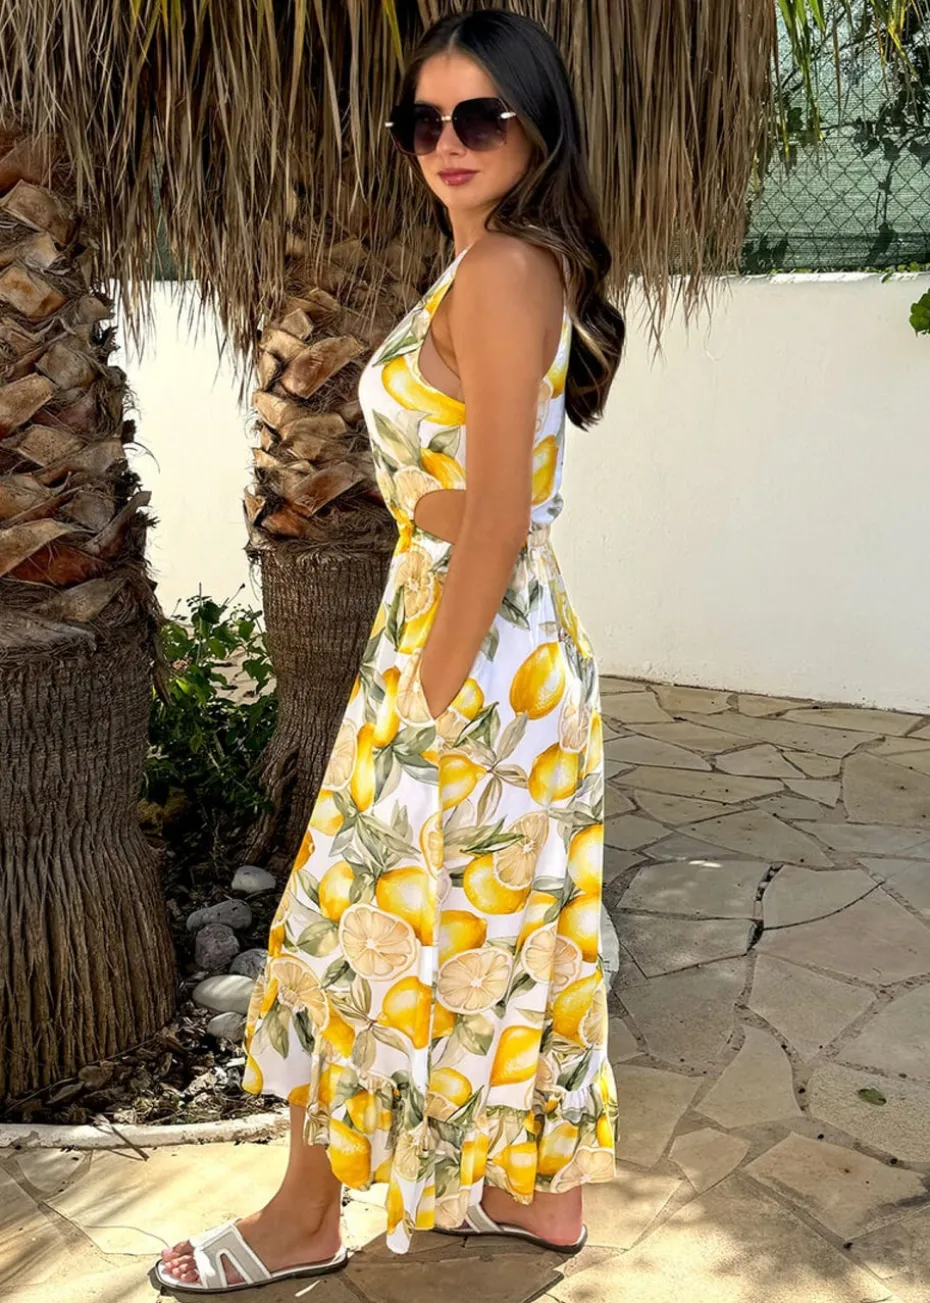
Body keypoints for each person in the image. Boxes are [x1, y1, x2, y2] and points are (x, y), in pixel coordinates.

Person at [156, 7, 625, 1293]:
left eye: (480, 117)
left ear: (537, 125)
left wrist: (430, 689)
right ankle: (538, 1193)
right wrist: (441, 523)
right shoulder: (498, 262)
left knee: (349, 920)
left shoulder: (503, 268)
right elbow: (492, 490)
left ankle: (306, 1216)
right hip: (489, 638)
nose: (447, 142)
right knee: (501, 918)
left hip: (473, 655)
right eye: (424, 121)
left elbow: (502, 510)